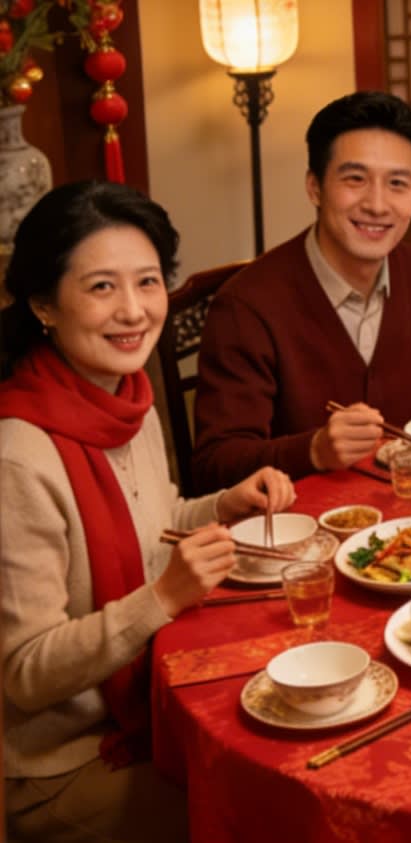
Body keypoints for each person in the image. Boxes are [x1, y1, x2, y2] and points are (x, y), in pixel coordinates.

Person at [0, 181, 295, 842]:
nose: (133, 311)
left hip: (153, 699)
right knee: (269, 817)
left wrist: (225, 504)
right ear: (44, 303)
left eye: (149, 281)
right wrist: (161, 599)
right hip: (66, 761)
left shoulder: (125, 395)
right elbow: (23, 671)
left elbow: (155, 523)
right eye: (102, 287)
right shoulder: (18, 457)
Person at [192, 90, 411, 491]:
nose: (377, 204)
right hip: (300, 530)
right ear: (315, 187)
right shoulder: (247, 305)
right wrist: (313, 450)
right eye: (355, 179)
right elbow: (214, 465)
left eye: (397, 183)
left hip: (406, 512)